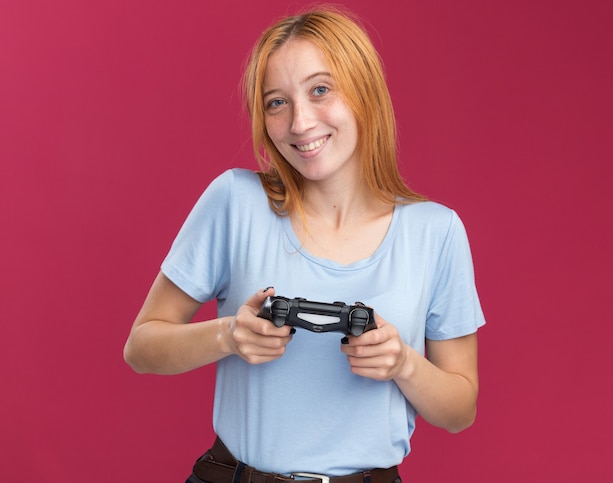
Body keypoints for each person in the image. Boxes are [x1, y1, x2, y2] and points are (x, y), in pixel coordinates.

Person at [124, 7, 486, 483]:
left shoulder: (436, 232)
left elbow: (460, 409)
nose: (299, 123)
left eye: (320, 90)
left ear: (364, 92)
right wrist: (227, 335)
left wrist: (403, 364)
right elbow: (141, 347)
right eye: (277, 102)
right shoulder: (235, 200)